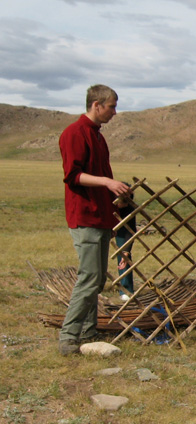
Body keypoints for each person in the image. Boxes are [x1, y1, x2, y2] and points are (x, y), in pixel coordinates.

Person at [58, 84, 129, 355]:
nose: (114, 111)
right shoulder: (74, 133)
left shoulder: (98, 136)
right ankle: (69, 337)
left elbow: (101, 175)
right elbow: (73, 175)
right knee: (89, 277)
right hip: (84, 214)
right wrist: (107, 182)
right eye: (111, 106)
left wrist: (116, 198)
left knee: (97, 279)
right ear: (96, 105)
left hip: (100, 215)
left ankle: (88, 331)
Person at [115, 184, 136, 302]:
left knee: (123, 255)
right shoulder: (106, 204)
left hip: (122, 226)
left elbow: (130, 231)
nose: (124, 206)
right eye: (122, 204)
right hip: (101, 222)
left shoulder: (129, 209)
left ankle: (126, 289)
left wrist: (126, 251)